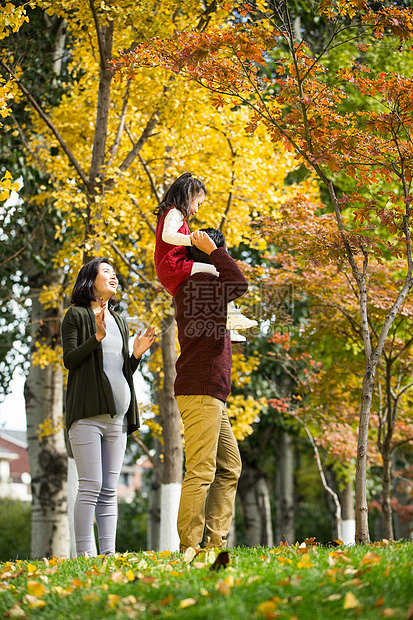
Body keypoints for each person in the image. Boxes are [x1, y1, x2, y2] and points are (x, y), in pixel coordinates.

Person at [61, 257, 156, 556]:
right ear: (91, 280)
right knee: (90, 486)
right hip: (87, 415)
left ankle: (108, 555)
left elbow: (119, 368)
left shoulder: (120, 320)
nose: (114, 277)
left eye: (115, 273)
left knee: (109, 490)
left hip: (118, 418)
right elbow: (71, 360)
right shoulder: (74, 315)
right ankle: (84, 555)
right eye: (106, 272)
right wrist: (97, 336)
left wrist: (137, 356)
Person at [173, 227, 248, 551]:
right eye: (223, 252)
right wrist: (214, 250)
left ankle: (215, 541)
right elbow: (239, 283)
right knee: (201, 470)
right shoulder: (198, 285)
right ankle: (189, 546)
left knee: (229, 466)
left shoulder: (202, 288)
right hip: (201, 392)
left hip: (210, 393)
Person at [154, 172, 257, 341]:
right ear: (188, 197)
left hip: (173, 268)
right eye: (198, 204)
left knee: (211, 282)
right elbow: (168, 236)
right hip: (174, 267)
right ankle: (232, 316)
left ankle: (229, 324)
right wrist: (192, 241)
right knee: (217, 271)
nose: (197, 210)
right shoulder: (174, 213)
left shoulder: (175, 216)